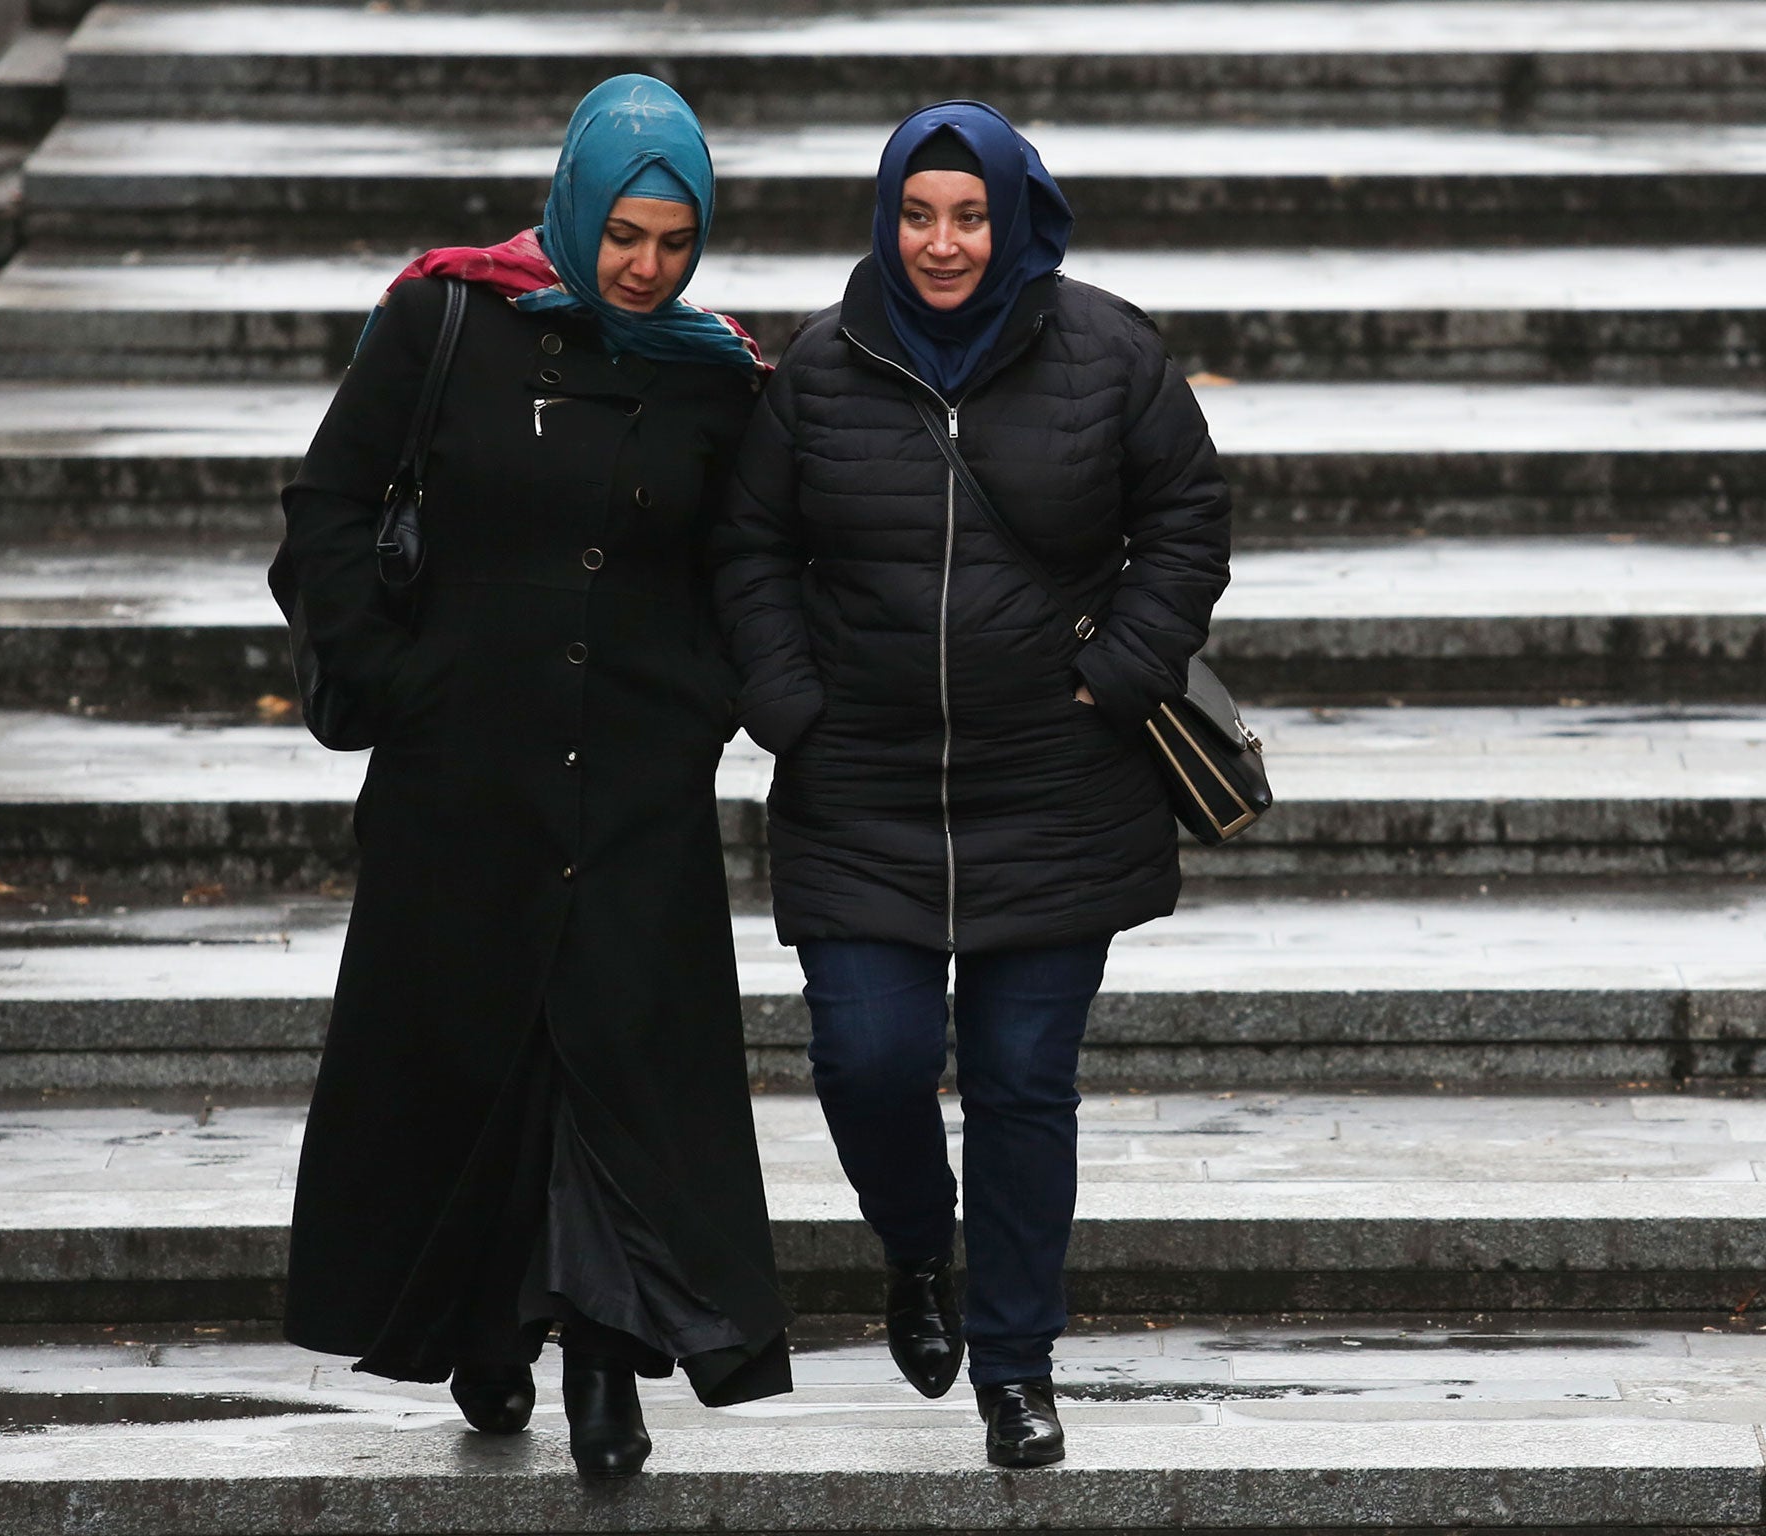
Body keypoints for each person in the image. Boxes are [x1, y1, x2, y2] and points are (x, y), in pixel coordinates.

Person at [279, 74, 791, 1481]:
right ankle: (487, 1331)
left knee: (610, 1064)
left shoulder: (714, 373)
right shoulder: (446, 319)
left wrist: (711, 706)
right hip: (465, 776)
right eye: (625, 233)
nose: (644, 265)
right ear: (577, 204)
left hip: (634, 784)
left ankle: (605, 1369)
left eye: (672, 241)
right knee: (479, 1059)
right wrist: (392, 681)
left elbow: (747, 565)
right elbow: (328, 507)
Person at [713, 101, 1231, 1469]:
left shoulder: (1110, 354)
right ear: (886, 218)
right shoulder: (820, 369)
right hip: (860, 786)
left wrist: (1117, 675)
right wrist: (787, 703)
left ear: (1014, 218)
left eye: (969, 214)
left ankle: (1015, 1365)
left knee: (1019, 1081)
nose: (942, 243)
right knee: (867, 1059)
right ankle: (916, 1252)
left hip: (1055, 789)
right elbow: (750, 547)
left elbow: (1187, 521)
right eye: (917, 213)